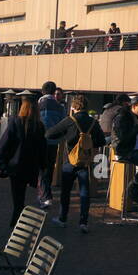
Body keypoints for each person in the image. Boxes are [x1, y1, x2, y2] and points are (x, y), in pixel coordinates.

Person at [45, 92, 105, 232]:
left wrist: (65, 135)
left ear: (74, 106)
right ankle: (83, 222)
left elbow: (49, 134)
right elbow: (101, 141)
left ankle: (62, 218)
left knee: (66, 191)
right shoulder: (93, 122)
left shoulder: (70, 120)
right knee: (84, 191)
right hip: (85, 161)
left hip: (70, 161)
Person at [0, 97, 47, 228]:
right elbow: (42, 149)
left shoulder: (16, 122)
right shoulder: (39, 126)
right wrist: (43, 167)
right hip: (31, 167)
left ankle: (16, 223)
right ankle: (18, 222)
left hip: (16, 167)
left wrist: (0, 163)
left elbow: (4, 144)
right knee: (22, 197)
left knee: (18, 198)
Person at [36, 82, 65, 206]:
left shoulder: (38, 105)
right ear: (54, 92)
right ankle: (45, 194)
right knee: (49, 167)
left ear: (42, 91)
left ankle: (45, 196)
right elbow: (63, 124)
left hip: (40, 140)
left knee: (41, 169)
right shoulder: (60, 107)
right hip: (53, 141)